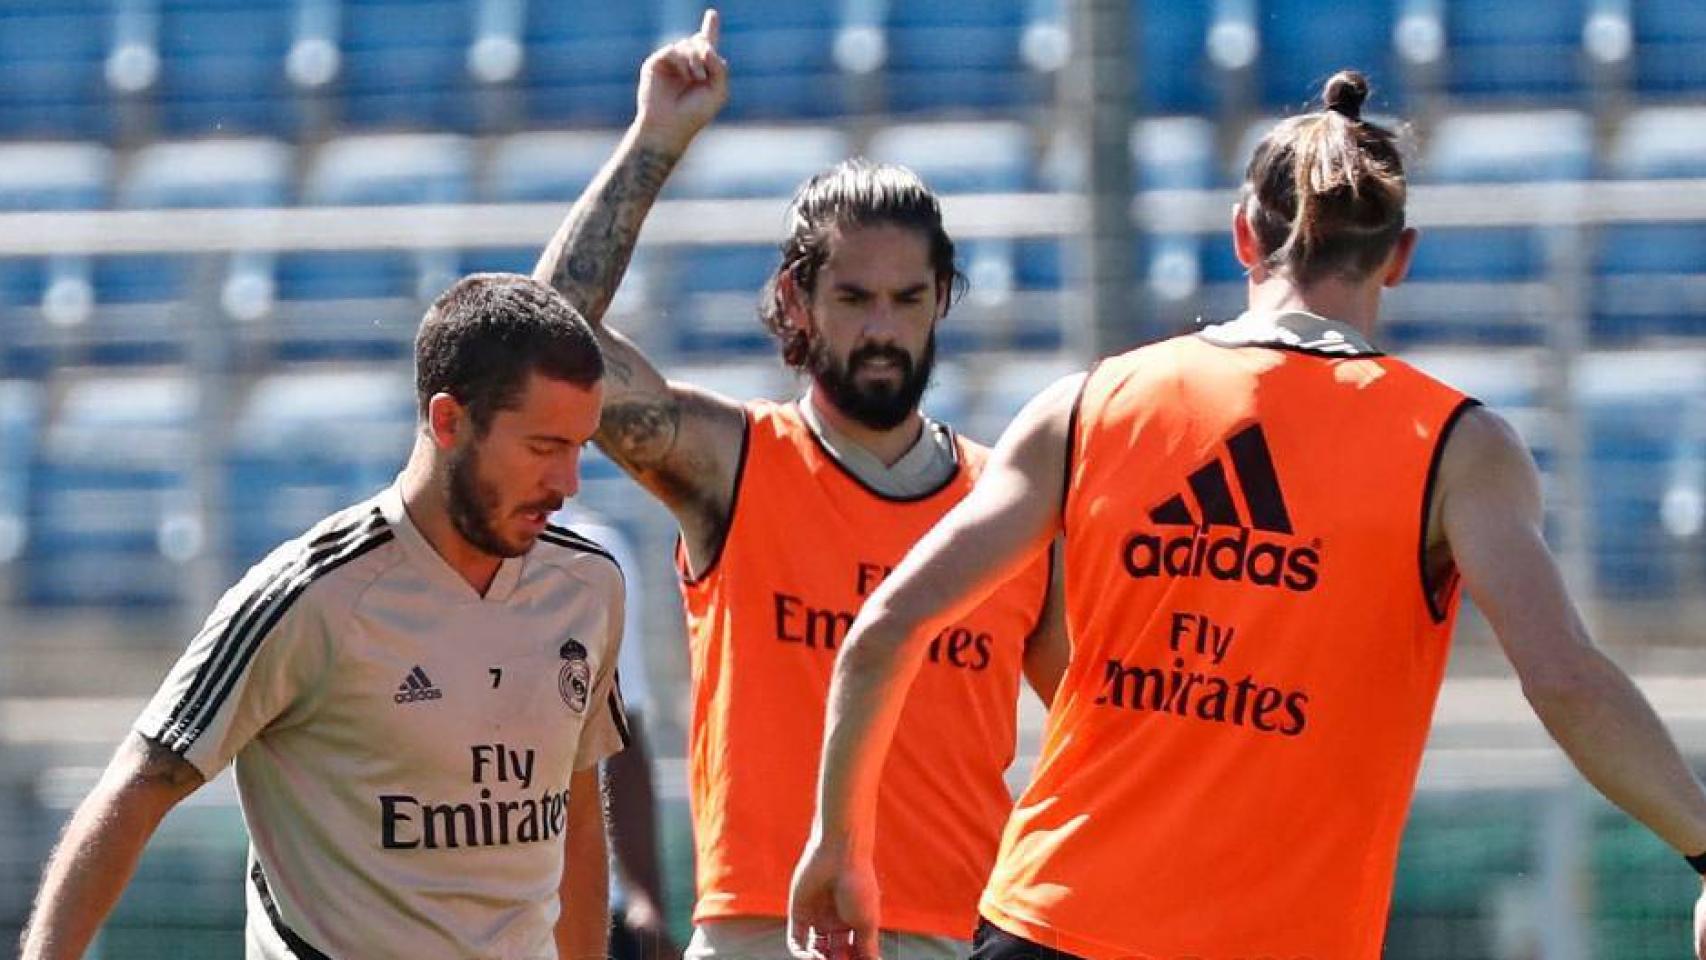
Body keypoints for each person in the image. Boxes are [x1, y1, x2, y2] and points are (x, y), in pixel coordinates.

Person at [789, 71, 1706, 960]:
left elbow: (885, 628)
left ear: (1241, 237)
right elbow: (1568, 683)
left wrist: (839, 844)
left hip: (1047, 927)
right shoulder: (1454, 448)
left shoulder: (1090, 404)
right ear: (1401, 253)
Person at [531, 10, 1068, 960]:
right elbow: (545, 346)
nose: (883, 330)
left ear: (943, 298)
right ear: (795, 299)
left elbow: (1094, 722)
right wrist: (656, 140)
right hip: (757, 936)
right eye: (853, 298)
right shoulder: (733, 466)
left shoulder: (1005, 507)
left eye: (908, 299)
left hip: (950, 938)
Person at [20, 273, 628, 960]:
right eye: (544, 448)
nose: (569, 484)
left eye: (580, 449)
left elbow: (575, 811)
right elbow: (139, 785)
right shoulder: (310, 594)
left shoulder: (588, 585)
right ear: (449, 421)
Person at [554, 502, 682, 960]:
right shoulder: (396, 564)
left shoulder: (593, 552)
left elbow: (624, 736)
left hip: (590, 910)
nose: (567, 478)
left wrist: (647, 898)